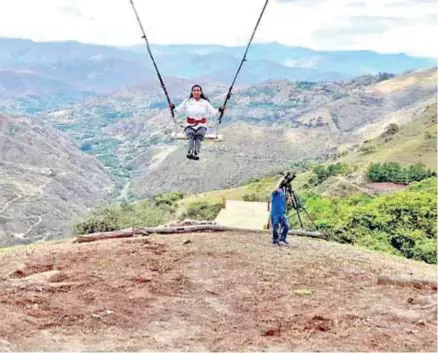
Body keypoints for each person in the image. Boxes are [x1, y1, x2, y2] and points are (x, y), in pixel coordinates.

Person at [169, 85, 225, 160]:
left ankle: (196, 152)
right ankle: (190, 151)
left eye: (198, 90)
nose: (196, 92)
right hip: (190, 124)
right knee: (190, 134)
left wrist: (220, 110)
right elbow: (178, 110)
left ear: (201, 92)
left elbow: (214, 112)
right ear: (192, 92)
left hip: (201, 124)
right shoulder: (187, 101)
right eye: (194, 90)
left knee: (199, 135)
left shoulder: (205, 102)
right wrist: (173, 107)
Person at [270, 175, 291, 246]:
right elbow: (276, 188)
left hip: (282, 214)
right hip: (275, 214)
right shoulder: (274, 193)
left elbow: (286, 204)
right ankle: (275, 241)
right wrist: (281, 179)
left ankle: (282, 239)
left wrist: (290, 199)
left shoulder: (282, 193)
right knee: (275, 228)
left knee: (286, 226)